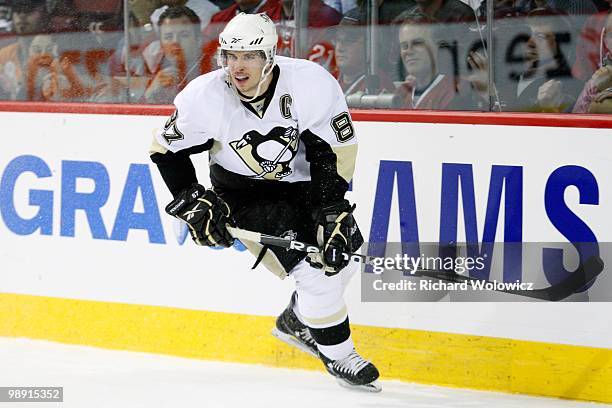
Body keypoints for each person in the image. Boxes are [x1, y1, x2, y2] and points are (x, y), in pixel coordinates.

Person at [149, 12, 381, 392]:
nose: (237, 66)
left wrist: (332, 208)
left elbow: (332, 150)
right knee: (314, 270)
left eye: (249, 56)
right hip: (242, 195)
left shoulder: (311, 84)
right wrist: (192, 198)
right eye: (230, 55)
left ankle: (298, 320)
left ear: (270, 56)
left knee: (345, 255)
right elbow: (165, 150)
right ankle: (340, 355)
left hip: (305, 186)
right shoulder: (204, 97)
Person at [143, 5, 203, 103]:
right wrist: (150, 93)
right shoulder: (161, 71)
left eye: (184, 35)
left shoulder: (211, 69)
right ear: (161, 44)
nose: (175, 41)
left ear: (198, 40)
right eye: (168, 36)